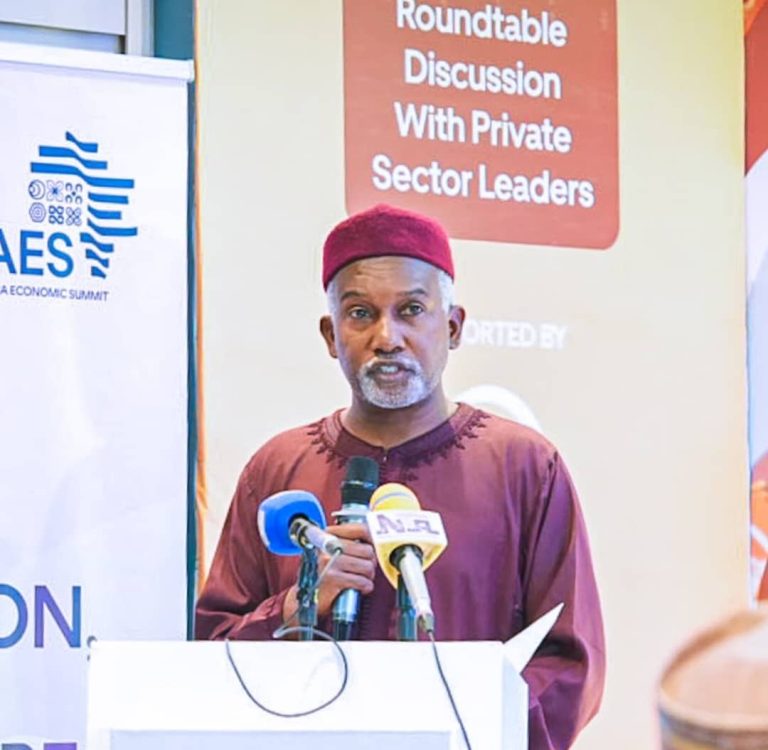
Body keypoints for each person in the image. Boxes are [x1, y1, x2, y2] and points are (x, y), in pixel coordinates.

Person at [195, 204, 606, 749]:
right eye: (360, 313)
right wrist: (299, 603)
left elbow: (570, 662)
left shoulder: (526, 468)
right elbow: (213, 653)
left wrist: (469, 731)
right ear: (330, 335)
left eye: (412, 310)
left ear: (453, 327)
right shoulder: (277, 470)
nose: (387, 337)